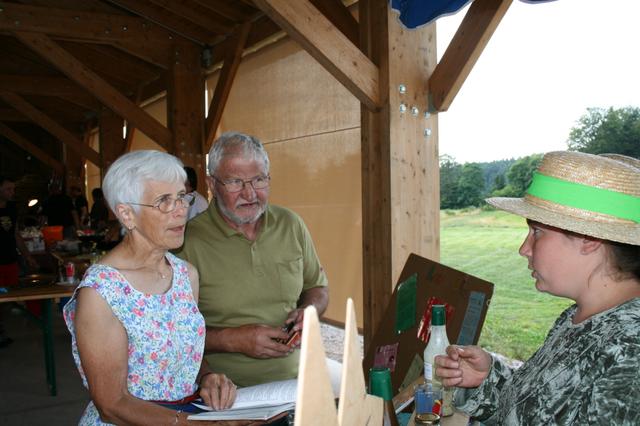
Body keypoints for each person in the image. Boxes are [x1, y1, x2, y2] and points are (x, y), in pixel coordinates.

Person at [435, 151, 640, 425]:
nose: (524, 249)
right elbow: (538, 408)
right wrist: (484, 380)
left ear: (588, 239)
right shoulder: (575, 318)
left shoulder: (630, 354)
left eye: (537, 231)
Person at [63, 151, 236, 425]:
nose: (181, 209)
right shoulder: (102, 292)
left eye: (181, 196)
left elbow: (182, 352)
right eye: (163, 201)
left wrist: (206, 376)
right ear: (127, 214)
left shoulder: (184, 274)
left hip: (185, 415)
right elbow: (112, 404)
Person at [176, 132, 330, 388]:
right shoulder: (186, 242)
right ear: (212, 184)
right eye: (235, 181)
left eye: (258, 179)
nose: (250, 193)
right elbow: (172, 335)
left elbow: (318, 287)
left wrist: (310, 310)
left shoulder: (290, 224)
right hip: (225, 395)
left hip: (296, 385)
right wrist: (232, 340)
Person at [0, 175, 38, 348]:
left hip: (9, 259)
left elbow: (15, 234)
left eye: (13, 189)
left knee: (9, 298)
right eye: (8, 189)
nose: (12, 192)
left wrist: (27, 256)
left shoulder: (11, 208)